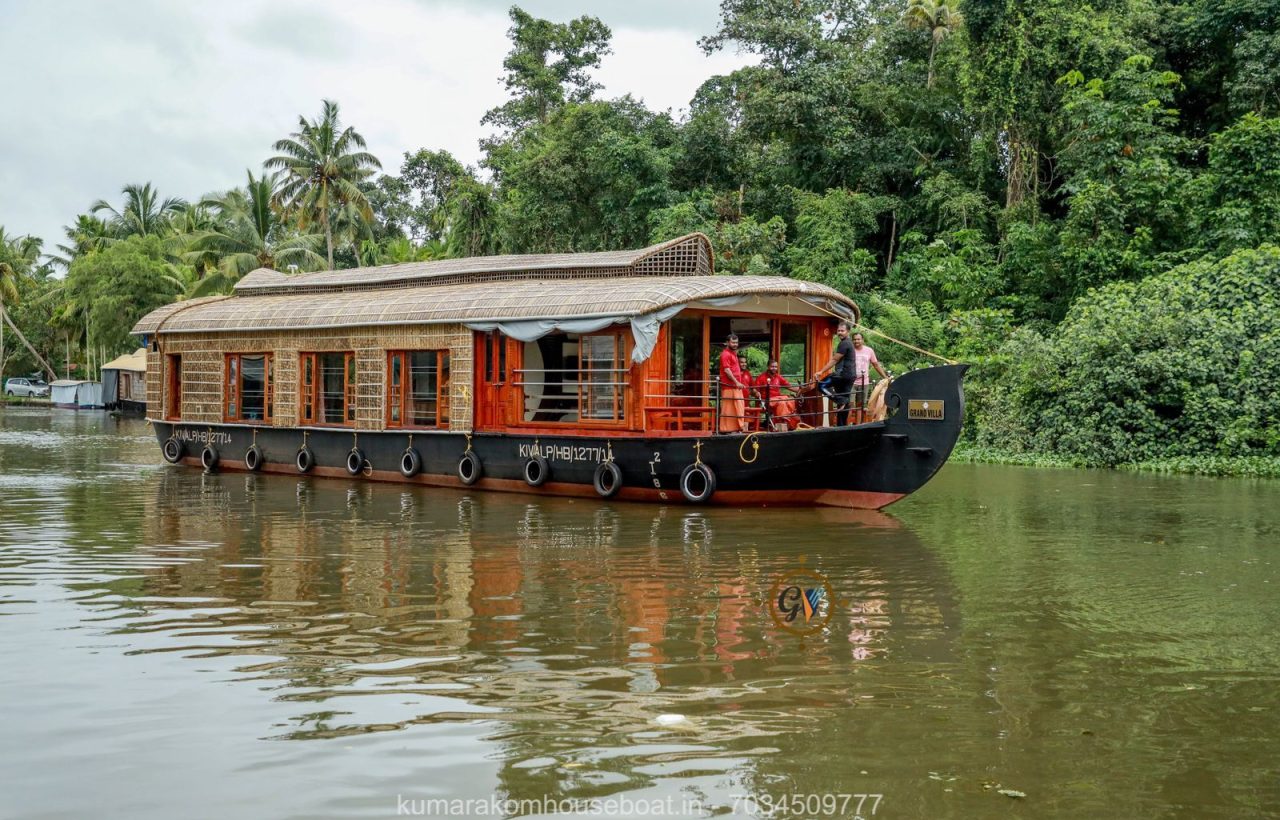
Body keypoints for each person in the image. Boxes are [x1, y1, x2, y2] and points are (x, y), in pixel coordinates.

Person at [813, 320, 856, 426]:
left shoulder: (844, 343)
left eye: (842, 331)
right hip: (850, 376)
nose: (840, 332)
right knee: (844, 401)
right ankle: (842, 426)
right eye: (838, 330)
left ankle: (840, 400)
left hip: (842, 375)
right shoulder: (849, 343)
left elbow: (835, 360)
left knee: (821, 385)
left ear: (848, 332)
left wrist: (821, 371)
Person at [850, 332, 888, 423]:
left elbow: (876, 365)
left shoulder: (869, 350)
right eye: (854, 339)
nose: (856, 341)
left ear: (862, 340)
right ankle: (847, 426)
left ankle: (858, 426)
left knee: (860, 405)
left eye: (858, 339)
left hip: (864, 382)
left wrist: (885, 377)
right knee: (849, 404)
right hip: (851, 382)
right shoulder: (850, 350)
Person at [754, 361, 799, 429]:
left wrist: (801, 390)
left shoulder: (778, 377)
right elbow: (754, 389)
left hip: (777, 399)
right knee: (782, 403)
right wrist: (756, 393)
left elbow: (789, 386)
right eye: (772, 366)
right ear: (768, 367)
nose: (774, 368)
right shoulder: (761, 377)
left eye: (775, 367)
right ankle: (781, 423)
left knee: (791, 400)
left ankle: (790, 422)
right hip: (767, 401)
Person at [718, 334, 748, 433]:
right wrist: (737, 382)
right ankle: (727, 429)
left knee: (738, 406)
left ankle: (736, 428)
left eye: (736, 342)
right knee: (729, 408)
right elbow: (727, 370)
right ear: (727, 342)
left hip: (735, 386)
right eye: (733, 342)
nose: (735, 344)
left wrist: (739, 383)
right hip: (729, 386)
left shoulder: (733, 353)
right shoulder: (725, 354)